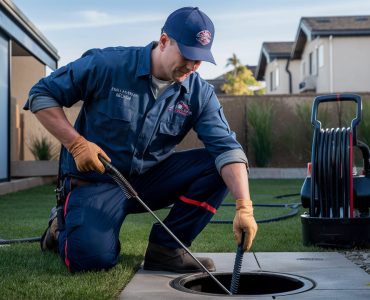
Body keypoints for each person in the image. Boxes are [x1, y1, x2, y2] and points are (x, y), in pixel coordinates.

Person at [24, 6, 257, 273]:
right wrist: (76, 143)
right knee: (91, 261)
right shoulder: (108, 65)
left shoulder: (199, 94)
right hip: (98, 181)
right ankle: (59, 225)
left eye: (200, 59)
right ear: (164, 40)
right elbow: (41, 95)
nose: (193, 66)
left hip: (150, 180)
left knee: (217, 165)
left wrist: (244, 206)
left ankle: (167, 249)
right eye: (188, 55)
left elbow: (228, 149)